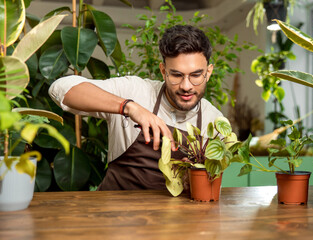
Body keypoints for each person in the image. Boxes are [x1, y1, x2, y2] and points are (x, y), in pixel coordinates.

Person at [49, 24, 223, 190]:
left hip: (173, 219)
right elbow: (61, 88)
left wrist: (194, 181)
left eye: (196, 75)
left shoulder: (215, 122)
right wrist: (129, 107)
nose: (186, 86)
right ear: (163, 71)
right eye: (176, 75)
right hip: (113, 214)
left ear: (208, 72)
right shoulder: (135, 90)